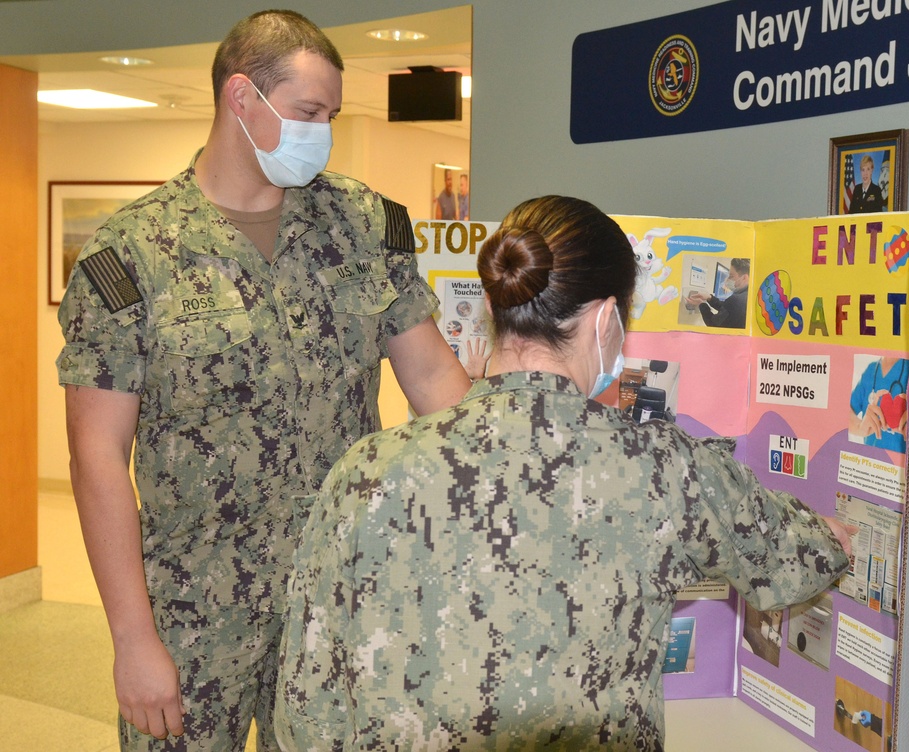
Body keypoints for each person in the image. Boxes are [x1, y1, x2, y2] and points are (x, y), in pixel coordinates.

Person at [275, 195, 854, 751]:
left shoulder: (366, 474)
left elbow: (308, 711)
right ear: (606, 320)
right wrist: (835, 533)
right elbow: (797, 562)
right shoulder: (664, 469)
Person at [56, 10, 471, 751]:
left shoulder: (362, 226)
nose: (324, 132)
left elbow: (435, 377)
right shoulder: (134, 255)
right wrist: (132, 640)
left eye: (332, 116)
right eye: (309, 112)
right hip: (191, 611)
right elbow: (97, 461)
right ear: (240, 98)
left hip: (333, 597)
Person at [848, 356, 909, 453]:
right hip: (869, 460)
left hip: (896, 465)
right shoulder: (871, 369)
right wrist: (859, 427)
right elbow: (845, 410)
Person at [685, 256, 750, 329]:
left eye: (731, 276)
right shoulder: (748, 295)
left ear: (744, 277)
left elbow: (713, 324)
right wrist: (710, 298)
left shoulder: (737, 299)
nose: (728, 279)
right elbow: (729, 309)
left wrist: (701, 304)